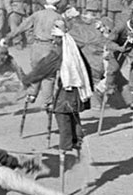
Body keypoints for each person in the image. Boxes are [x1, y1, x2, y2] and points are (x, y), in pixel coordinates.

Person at [22, 20, 93, 155]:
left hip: (69, 88)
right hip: (78, 88)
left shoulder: (58, 52)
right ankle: (77, 140)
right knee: (73, 113)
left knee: (62, 114)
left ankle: (65, 146)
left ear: (59, 38)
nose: (53, 40)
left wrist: (27, 79)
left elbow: (43, 69)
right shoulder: (73, 47)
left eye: (54, 37)